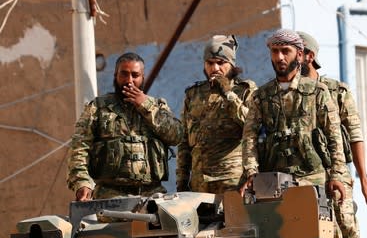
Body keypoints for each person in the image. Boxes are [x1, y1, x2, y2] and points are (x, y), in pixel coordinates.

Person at [297, 31, 367, 238]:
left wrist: (364, 180)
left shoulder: (336, 91)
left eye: (298, 53)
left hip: (336, 174)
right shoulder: (286, 93)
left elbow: (355, 134)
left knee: (345, 234)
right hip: (302, 176)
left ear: (309, 56)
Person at [240, 28, 346, 200]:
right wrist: (252, 172)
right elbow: (249, 137)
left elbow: (334, 135)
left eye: (285, 51)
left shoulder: (317, 91)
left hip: (313, 179)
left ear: (299, 54)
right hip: (274, 181)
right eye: (275, 51)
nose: (280, 57)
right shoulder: (261, 96)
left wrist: (337, 175)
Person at [67, 52, 183, 201]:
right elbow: (79, 147)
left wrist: (145, 105)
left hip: (152, 195)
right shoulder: (98, 108)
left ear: (143, 78)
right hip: (110, 196)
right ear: (115, 76)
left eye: (135, 75)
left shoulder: (157, 107)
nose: (129, 81)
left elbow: (176, 136)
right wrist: (82, 183)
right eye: (124, 74)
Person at [176, 35, 257, 194]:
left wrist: (227, 93)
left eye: (221, 63)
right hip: (199, 186)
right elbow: (184, 142)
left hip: (232, 183)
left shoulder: (245, 91)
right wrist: (182, 181)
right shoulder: (193, 94)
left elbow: (251, 125)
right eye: (210, 63)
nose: (215, 69)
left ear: (232, 64)